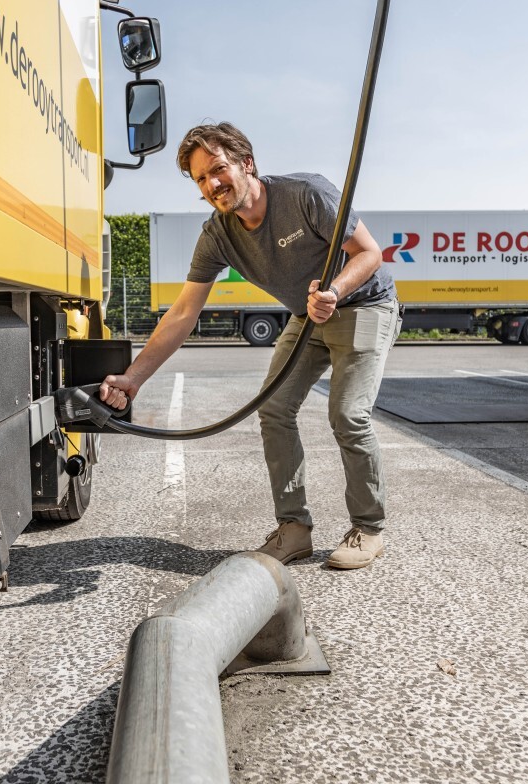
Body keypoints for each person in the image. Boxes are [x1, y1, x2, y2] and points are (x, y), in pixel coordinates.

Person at [100, 122, 401, 570]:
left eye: (218, 169)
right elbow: (183, 313)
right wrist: (133, 378)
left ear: (247, 163)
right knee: (274, 409)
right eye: (200, 179)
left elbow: (369, 253)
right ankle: (294, 529)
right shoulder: (218, 234)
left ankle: (368, 528)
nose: (212, 184)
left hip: (364, 303)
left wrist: (333, 291)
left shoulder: (306, 195)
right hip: (308, 315)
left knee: (348, 414)